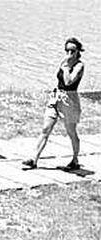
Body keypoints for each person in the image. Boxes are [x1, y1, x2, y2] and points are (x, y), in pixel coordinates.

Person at [23, 37, 85, 170]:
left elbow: (69, 82)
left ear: (78, 51)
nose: (69, 53)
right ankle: (34, 158)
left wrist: (67, 67)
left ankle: (75, 159)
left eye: (72, 50)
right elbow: (60, 80)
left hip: (69, 100)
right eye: (67, 50)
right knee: (45, 129)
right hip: (56, 96)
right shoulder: (64, 62)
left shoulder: (79, 65)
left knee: (71, 132)